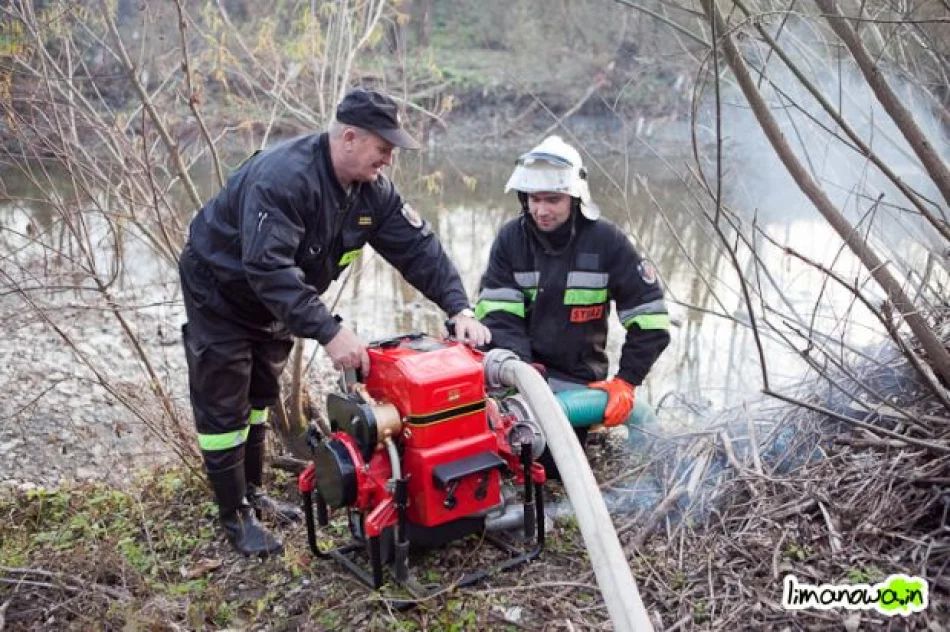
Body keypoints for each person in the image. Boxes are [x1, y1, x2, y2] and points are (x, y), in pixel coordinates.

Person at [179, 88, 490, 557]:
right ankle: (234, 515)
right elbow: (267, 267)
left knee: (260, 391)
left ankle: (254, 491)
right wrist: (329, 330)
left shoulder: (372, 191)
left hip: (278, 302)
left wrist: (458, 307)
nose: (388, 159)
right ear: (348, 138)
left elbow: (418, 249)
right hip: (220, 289)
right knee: (224, 402)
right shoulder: (284, 179)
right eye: (383, 148)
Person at [476, 136, 670, 473]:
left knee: (550, 465)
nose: (542, 210)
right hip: (518, 375)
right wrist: (522, 369)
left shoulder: (607, 242)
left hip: (577, 382)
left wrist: (626, 380)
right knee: (495, 456)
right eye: (535, 199)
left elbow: (650, 319)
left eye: (553, 199)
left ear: (575, 197)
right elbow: (497, 313)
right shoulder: (511, 240)